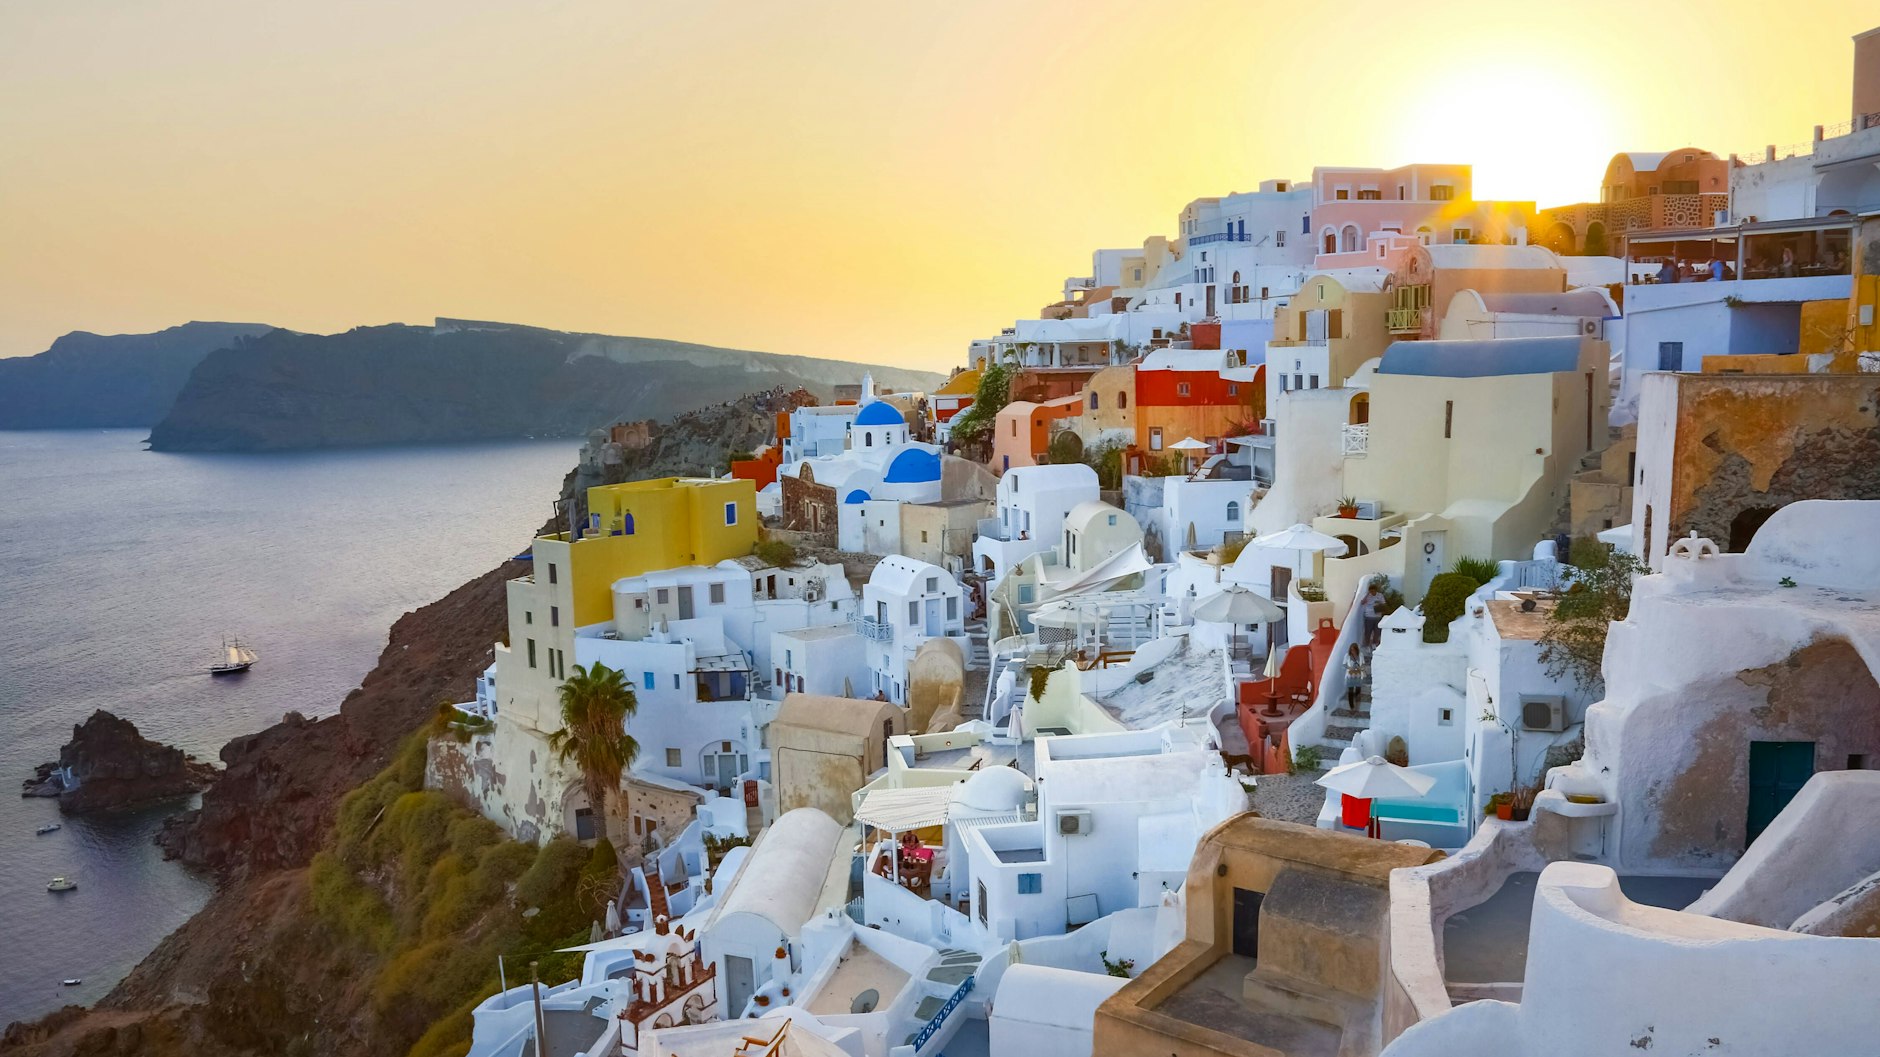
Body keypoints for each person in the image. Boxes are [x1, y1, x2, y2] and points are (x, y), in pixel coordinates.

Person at [1360, 581, 1387, 649]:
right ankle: (1367, 644)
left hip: (1377, 616)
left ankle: (1375, 644)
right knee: (1368, 631)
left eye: (1373, 591)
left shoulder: (1380, 595)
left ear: (1376, 590)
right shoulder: (1368, 596)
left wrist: (1378, 603)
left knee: (1377, 631)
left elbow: (1384, 604)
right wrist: (1367, 595)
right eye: (1371, 591)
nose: (1372, 593)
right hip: (1369, 616)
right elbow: (1362, 602)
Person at [1343, 643, 1366, 711]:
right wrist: (1349, 668)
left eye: (1354, 650)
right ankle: (1352, 707)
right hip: (1350, 676)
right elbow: (1344, 665)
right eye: (1351, 650)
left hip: (1358, 676)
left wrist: (1360, 668)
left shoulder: (1360, 655)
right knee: (1350, 691)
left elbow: (1363, 663)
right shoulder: (1347, 655)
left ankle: (1357, 705)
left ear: (1356, 650)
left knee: (1358, 691)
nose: (1353, 651)